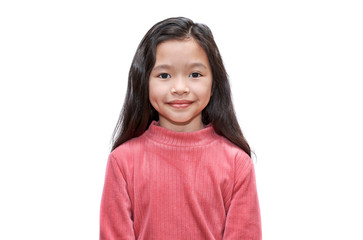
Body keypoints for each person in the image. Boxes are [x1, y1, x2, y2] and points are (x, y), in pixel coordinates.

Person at [100, 17, 261, 239]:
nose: (179, 88)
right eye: (164, 75)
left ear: (214, 84)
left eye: (195, 74)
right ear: (143, 82)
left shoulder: (236, 164)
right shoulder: (122, 162)